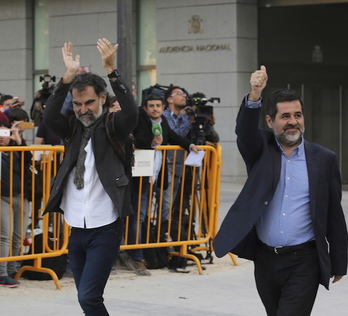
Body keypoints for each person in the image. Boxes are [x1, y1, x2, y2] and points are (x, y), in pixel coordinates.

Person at [214, 65, 348, 316]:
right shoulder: (260, 149)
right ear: (270, 120)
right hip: (265, 260)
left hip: (304, 260)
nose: (292, 122)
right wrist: (254, 94)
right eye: (285, 116)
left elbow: (333, 213)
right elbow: (244, 132)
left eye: (297, 115)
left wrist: (339, 260)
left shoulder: (324, 158)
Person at [42, 38, 138, 316]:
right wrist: (67, 78)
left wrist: (111, 69)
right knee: (87, 298)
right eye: (77, 104)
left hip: (105, 226)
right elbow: (49, 117)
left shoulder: (113, 126)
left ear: (103, 99)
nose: (83, 109)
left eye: (89, 102)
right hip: (77, 227)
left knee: (89, 297)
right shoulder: (71, 127)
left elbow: (131, 112)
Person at [120, 93, 201, 275]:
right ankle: (136, 256)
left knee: (144, 215)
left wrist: (189, 146)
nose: (155, 109)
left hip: (155, 175)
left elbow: (173, 136)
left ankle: (146, 251)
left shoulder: (163, 121)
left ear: (163, 107)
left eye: (158, 105)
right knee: (138, 216)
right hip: (139, 176)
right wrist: (150, 142)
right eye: (151, 106)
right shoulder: (140, 120)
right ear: (145, 108)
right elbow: (134, 139)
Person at [0, 121, 31, 288]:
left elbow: (28, 160)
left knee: (19, 235)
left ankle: (13, 270)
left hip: (21, 196)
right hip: (2, 197)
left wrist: (18, 139)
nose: (2, 138)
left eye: (6, 134)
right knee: (5, 236)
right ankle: (2, 273)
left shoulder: (17, 149)